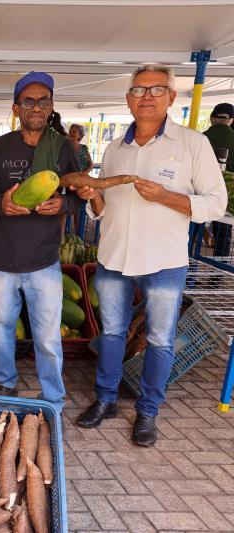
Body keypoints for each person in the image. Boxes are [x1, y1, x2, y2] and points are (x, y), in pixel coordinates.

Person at [75, 64, 227, 446]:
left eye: (156, 90)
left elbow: (215, 204)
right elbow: (104, 209)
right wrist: (92, 195)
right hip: (113, 256)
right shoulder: (114, 147)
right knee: (110, 333)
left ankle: (148, 411)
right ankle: (106, 398)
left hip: (163, 261)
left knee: (159, 339)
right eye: (139, 90)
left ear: (172, 98)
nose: (146, 97)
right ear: (128, 98)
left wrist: (166, 197)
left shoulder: (193, 145)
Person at [0, 72, 81, 411]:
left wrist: (64, 204)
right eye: (28, 101)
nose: (36, 107)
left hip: (45, 260)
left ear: (51, 107)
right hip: (3, 258)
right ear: (16, 108)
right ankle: (7, 384)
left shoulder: (62, 148)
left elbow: (79, 196)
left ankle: (53, 398)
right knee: (1, 329)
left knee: (47, 336)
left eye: (43, 100)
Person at [203, 103, 234, 255]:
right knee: (223, 230)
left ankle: (188, 264)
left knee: (191, 225)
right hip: (226, 195)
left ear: (211, 118)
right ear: (231, 120)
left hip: (197, 192)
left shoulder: (201, 137)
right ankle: (217, 273)